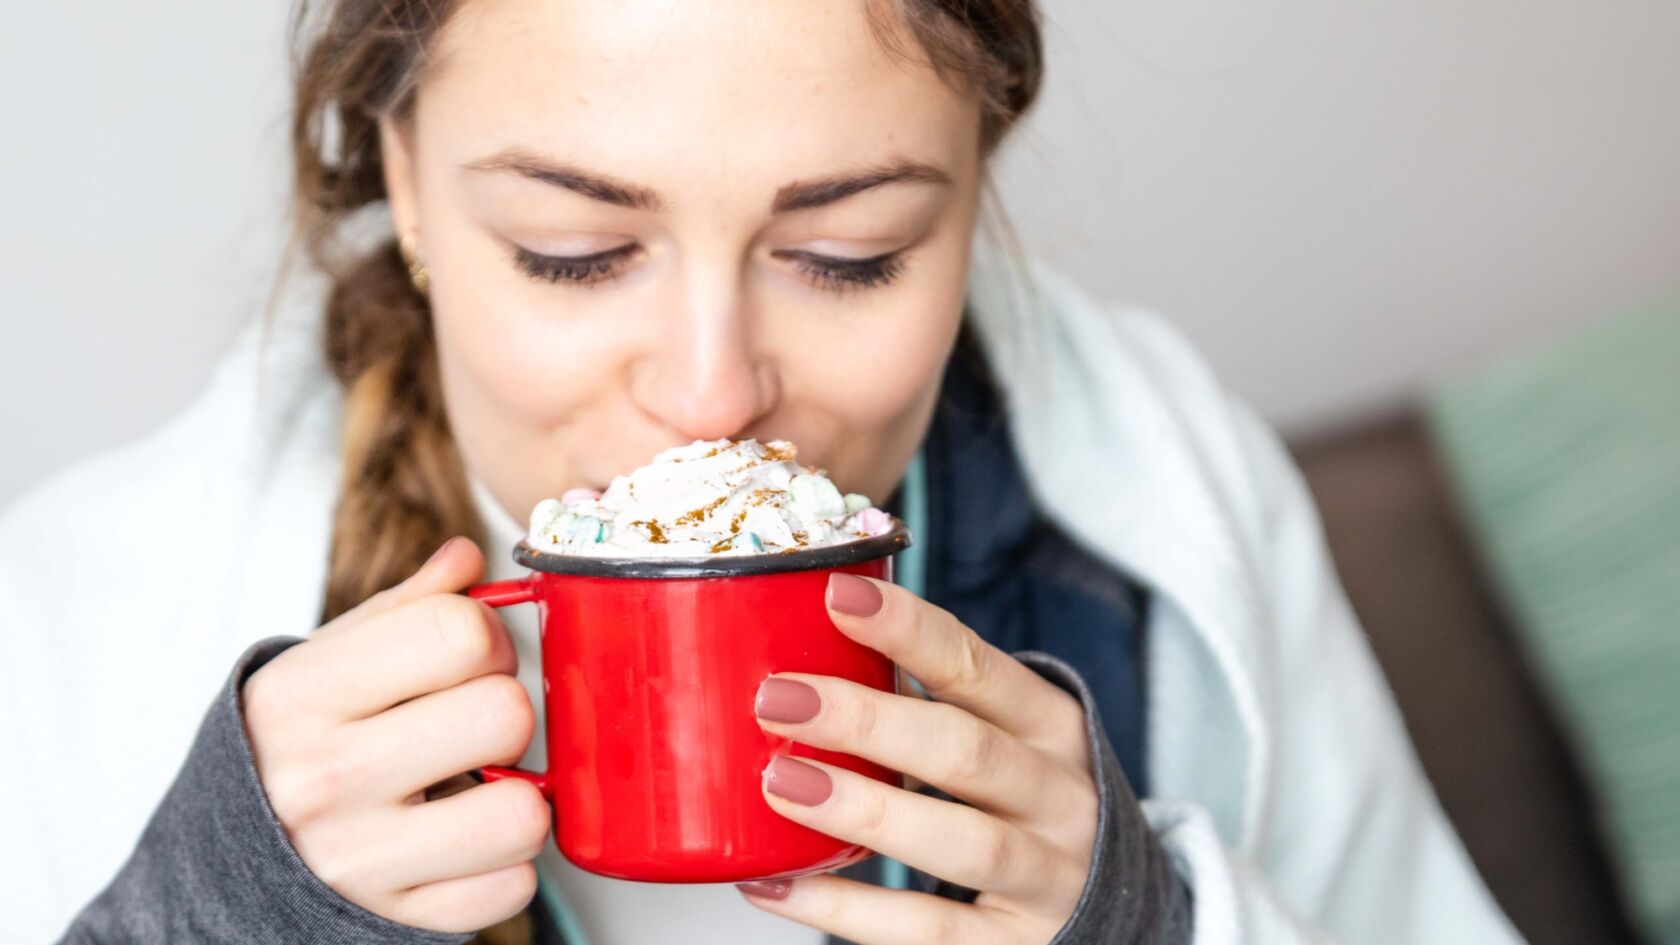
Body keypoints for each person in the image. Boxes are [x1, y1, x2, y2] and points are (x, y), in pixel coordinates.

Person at [0, 0, 1525, 943]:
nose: (716, 395)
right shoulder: (82, 610)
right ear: (400, 180)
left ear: (975, 187)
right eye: (575, 253)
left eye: (849, 259)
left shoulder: (1167, 513)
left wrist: (1156, 927)